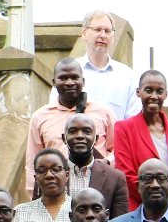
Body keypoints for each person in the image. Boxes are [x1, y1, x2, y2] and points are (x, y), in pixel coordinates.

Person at [27, 58, 115, 195]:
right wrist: (33, 195)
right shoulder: (40, 117)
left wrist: (107, 162)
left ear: (83, 81)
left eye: (74, 77)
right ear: (54, 82)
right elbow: (33, 161)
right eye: (63, 78)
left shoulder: (103, 112)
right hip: (56, 193)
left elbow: (118, 149)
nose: (69, 82)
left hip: (97, 189)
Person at [112, 69, 168, 196]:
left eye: (159, 91)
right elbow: (125, 173)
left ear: (166, 94)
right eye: (148, 90)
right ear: (138, 92)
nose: (154, 96)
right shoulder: (123, 128)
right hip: (142, 206)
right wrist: (156, 198)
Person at [66, 10, 138, 119]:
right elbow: (56, 113)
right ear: (84, 33)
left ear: (113, 37)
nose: (103, 35)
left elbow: (132, 119)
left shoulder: (127, 75)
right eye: (98, 30)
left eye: (108, 31)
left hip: (116, 136)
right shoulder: (69, 71)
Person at [62, 113, 128, 216]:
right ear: (63, 138)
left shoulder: (115, 178)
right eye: (73, 131)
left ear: (96, 139)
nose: (79, 136)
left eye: (86, 131)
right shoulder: (49, 175)